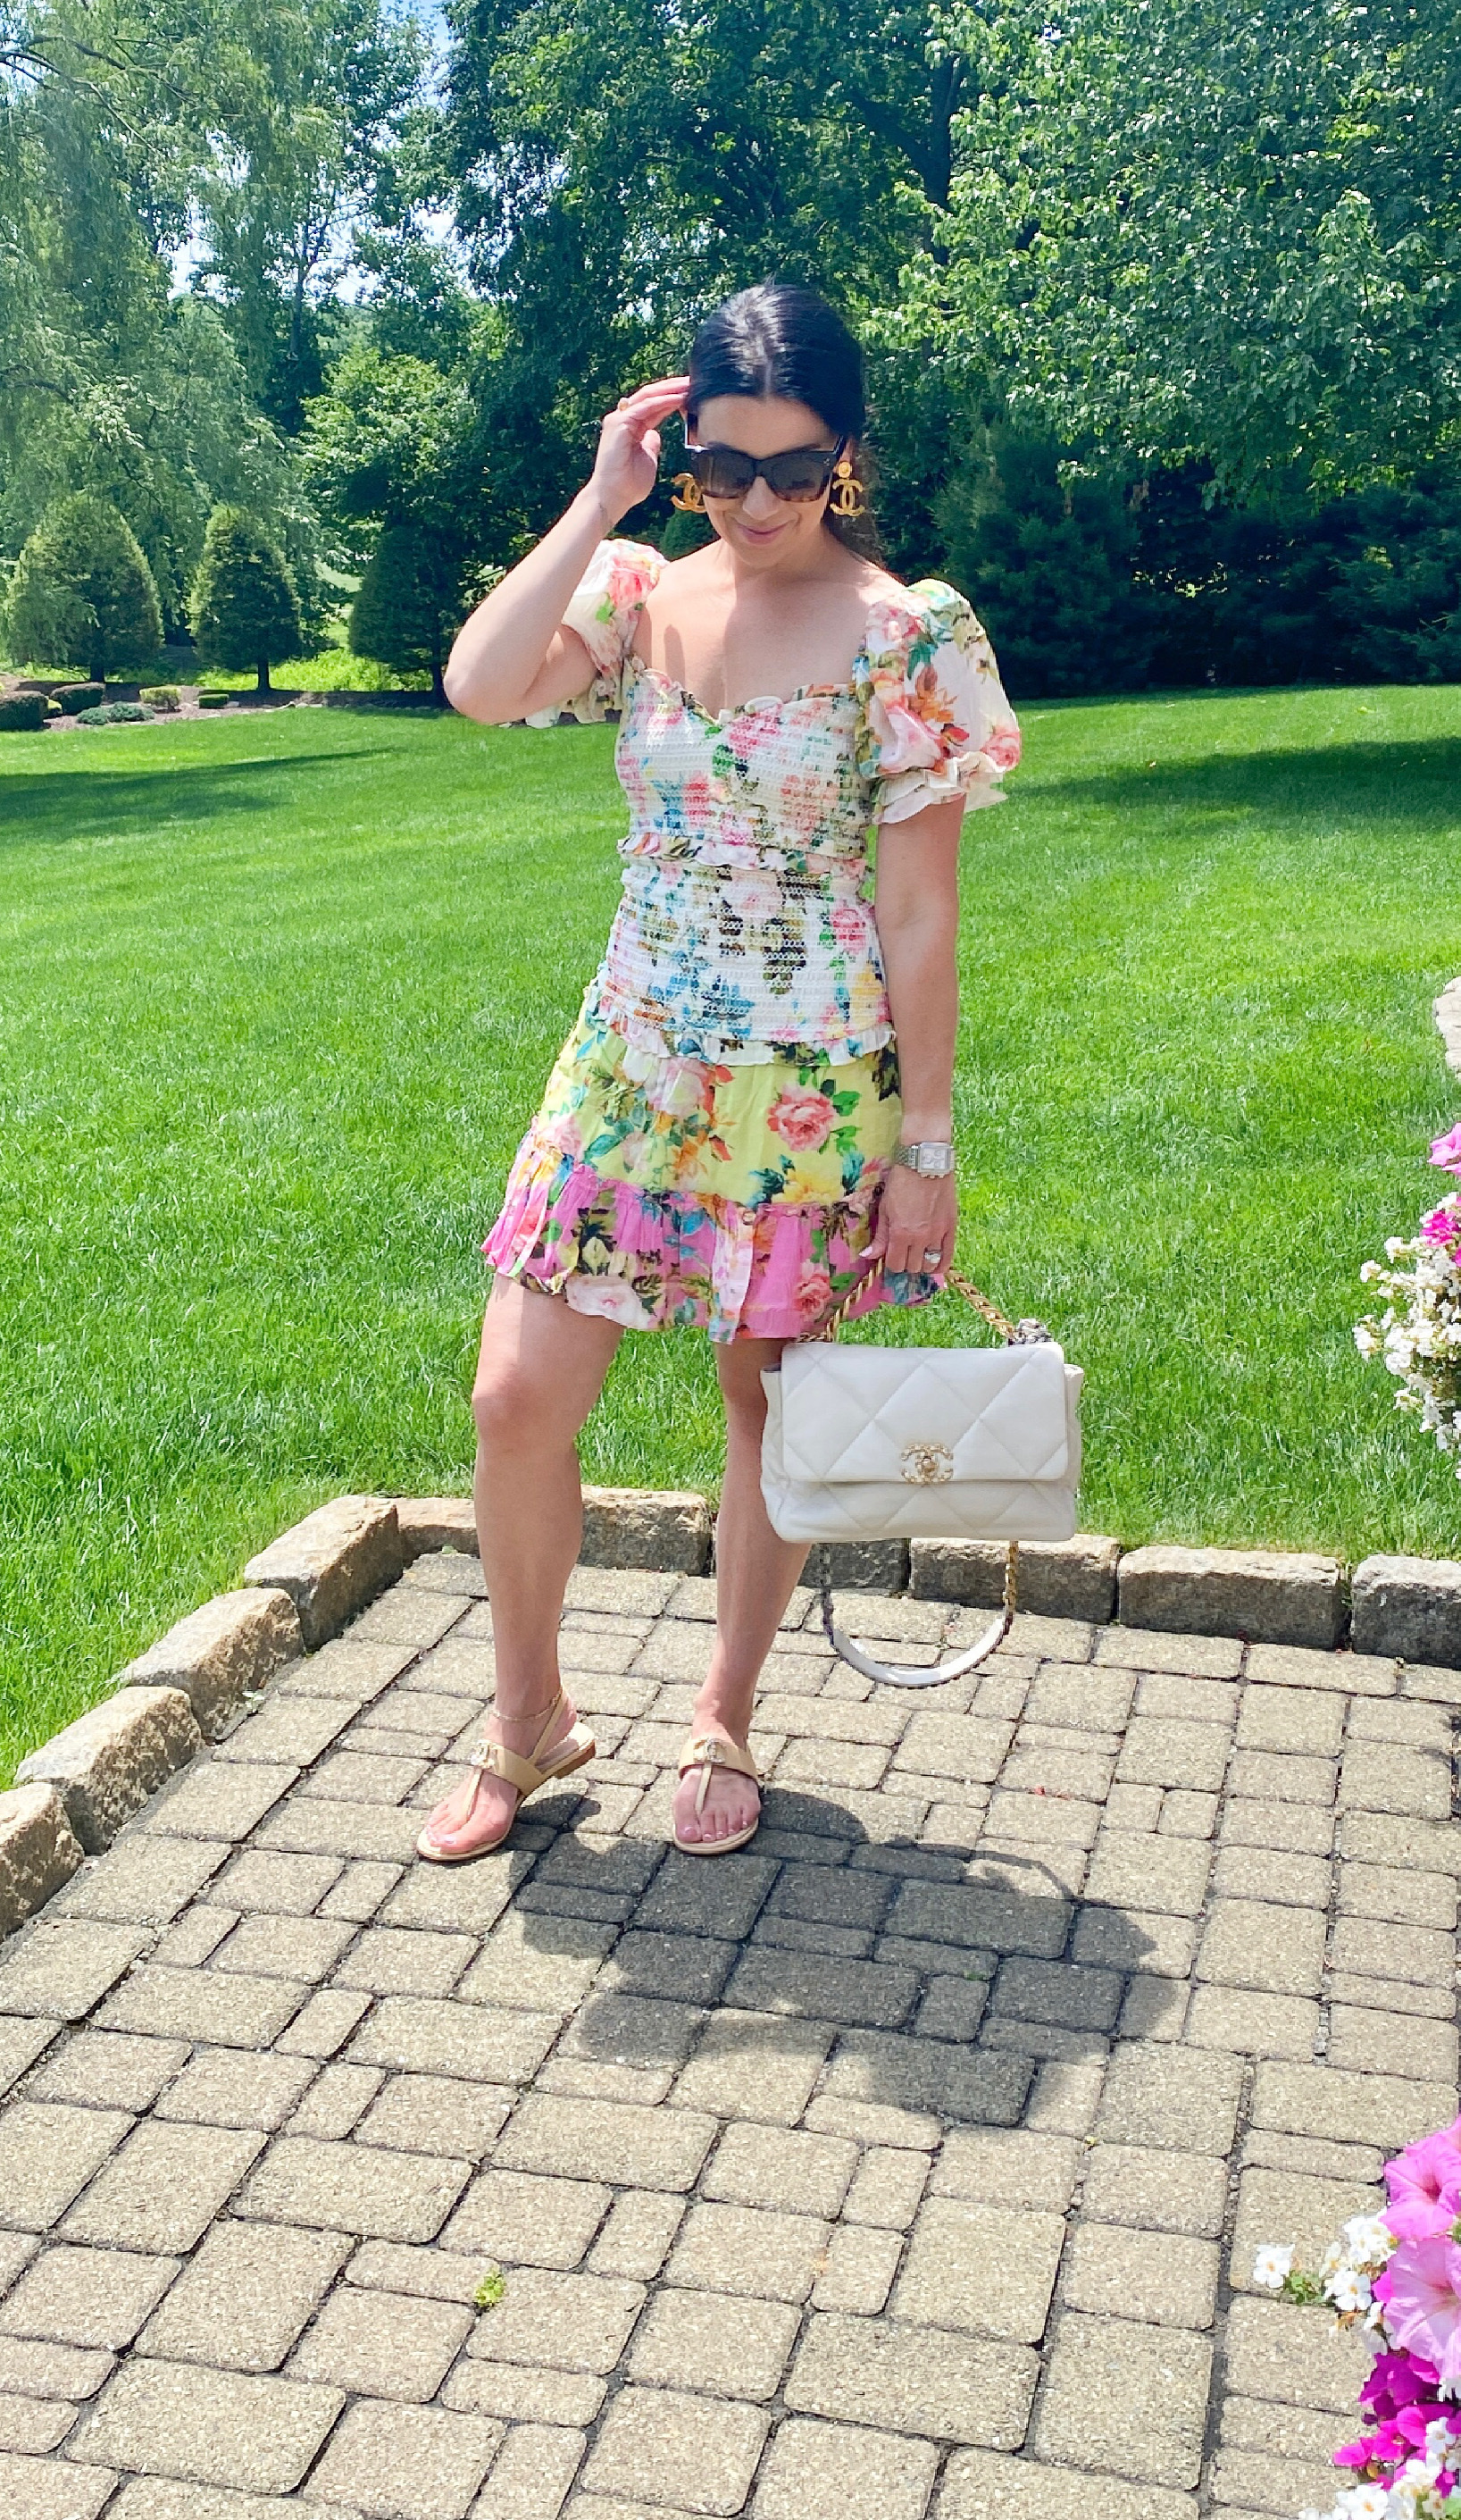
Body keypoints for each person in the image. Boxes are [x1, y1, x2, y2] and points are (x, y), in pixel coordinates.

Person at [423, 280, 1020, 1864]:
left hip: (808, 1088)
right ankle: (529, 1719)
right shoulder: (630, 595)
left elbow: (918, 906)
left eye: (794, 467)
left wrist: (930, 1148)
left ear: (846, 457)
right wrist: (599, 495)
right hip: (629, 1065)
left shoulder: (909, 635)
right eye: (721, 465)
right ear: (679, 449)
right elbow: (480, 685)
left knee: (763, 1405)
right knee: (514, 1396)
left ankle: (724, 1713)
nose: (756, 501)